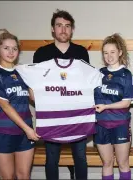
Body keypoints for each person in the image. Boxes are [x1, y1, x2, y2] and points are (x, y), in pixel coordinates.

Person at [32, 9, 89, 180]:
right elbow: (35, 84)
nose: (63, 30)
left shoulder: (81, 53)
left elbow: (86, 84)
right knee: (51, 159)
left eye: (67, 26)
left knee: (80, 157)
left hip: (77, 115)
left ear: (72, 30)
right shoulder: (41, 53)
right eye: (59, 26)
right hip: (52, 116)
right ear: (52, 29)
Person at [0, 32, 40, 179]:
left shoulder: (22, 71)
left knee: (24, 175)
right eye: (6, 48)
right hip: (3, 133)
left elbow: (34, 98)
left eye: (14, 48)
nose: (11, 52)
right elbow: (5, 105)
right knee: (8, 177)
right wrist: (27, 129)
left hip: (25, 132)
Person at [93, 33, 133, 180]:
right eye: (105, 53)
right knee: (107, 163)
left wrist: (105, 106)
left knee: (123, 163)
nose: (109, 56)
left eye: (112, 52)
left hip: (120, 125)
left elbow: (127, 103)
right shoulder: (98, 74)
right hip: (101, 125)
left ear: (120, 52)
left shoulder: (126, 75)